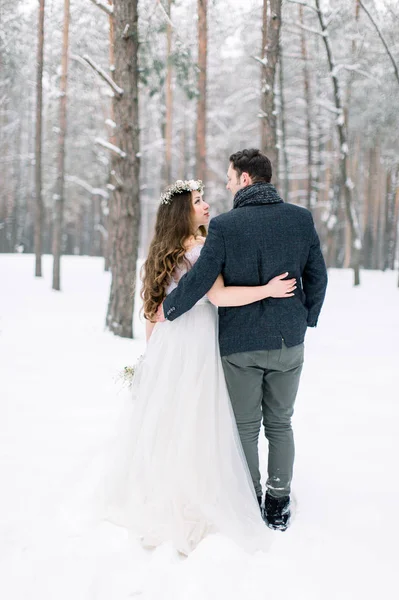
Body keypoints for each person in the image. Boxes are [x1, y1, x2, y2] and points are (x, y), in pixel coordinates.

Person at [110, 178, 297, 555]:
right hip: (199, 341)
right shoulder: (203, 250)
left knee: (173, 418)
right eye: (198, 201)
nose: (207, 205)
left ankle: (166, 487)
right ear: (183, 212)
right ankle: (200, 493)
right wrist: (267, 290)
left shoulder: (156, 256)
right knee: (202, 416)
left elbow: (152, 315)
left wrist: (153, 359)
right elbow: (218, 296)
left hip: (169, 344)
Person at [160, 149, 328, 531]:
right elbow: (317, 276)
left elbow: (201, 277)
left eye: (231, 177)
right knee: (281, 423)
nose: (227, 183)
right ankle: (278, 501)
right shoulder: (300, 220)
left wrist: (169, 309)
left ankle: (250, 497)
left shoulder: (225, 226)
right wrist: (307, 317)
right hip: (289, 340)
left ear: (247, 179)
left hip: (241, 345)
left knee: (246, 427)